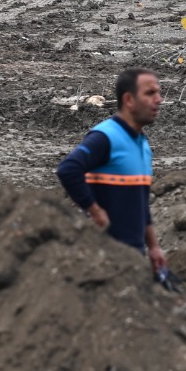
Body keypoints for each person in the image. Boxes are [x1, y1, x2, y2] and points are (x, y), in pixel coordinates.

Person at [57, 66, 168, 279]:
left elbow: (141, 201)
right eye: (150, 93)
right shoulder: (105, 137)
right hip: (102, 259)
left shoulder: (142, 143)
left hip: (132, 257)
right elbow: (68, 169)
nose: (159, 99)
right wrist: (95, 212)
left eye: (158, 92)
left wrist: (153, 247)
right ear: (128, 100)